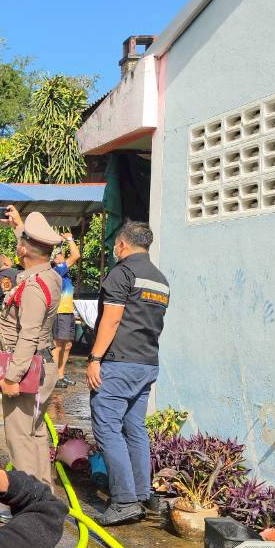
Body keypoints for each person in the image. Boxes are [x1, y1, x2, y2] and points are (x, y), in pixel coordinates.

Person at [88, 222, 169, 526]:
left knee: (107, 427)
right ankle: (142, 494)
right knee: (135, 428)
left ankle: (124, 501)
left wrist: (95, 358)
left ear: (122, 244)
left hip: (119, 362)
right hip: (146, 363)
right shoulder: (160, 280)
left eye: (115, 244)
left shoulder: (122, 273)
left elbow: (111, 321)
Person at [0, 208, 63, 498]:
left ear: (23, 250)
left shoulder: (34, 287)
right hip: (41, 365)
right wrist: (19, 226)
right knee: (35, 434)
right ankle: (44, 499)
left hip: (27, 370)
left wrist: (11, 377)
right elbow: (33, 247)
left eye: (20, 243)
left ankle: (29, 506)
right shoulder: (50, 274)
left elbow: (28, 336)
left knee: (20, 440)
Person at [51, 232, 82, 387]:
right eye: (60, 254)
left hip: (67, 311)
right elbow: (76, 255)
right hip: (60, 312)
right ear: (55, 259)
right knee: (58, 345)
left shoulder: (63, 272)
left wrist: (60, 242)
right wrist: (70, 239)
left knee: (67, 345)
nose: (63, 256)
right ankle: (53, 377)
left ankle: (61, 375)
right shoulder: (57, 270)